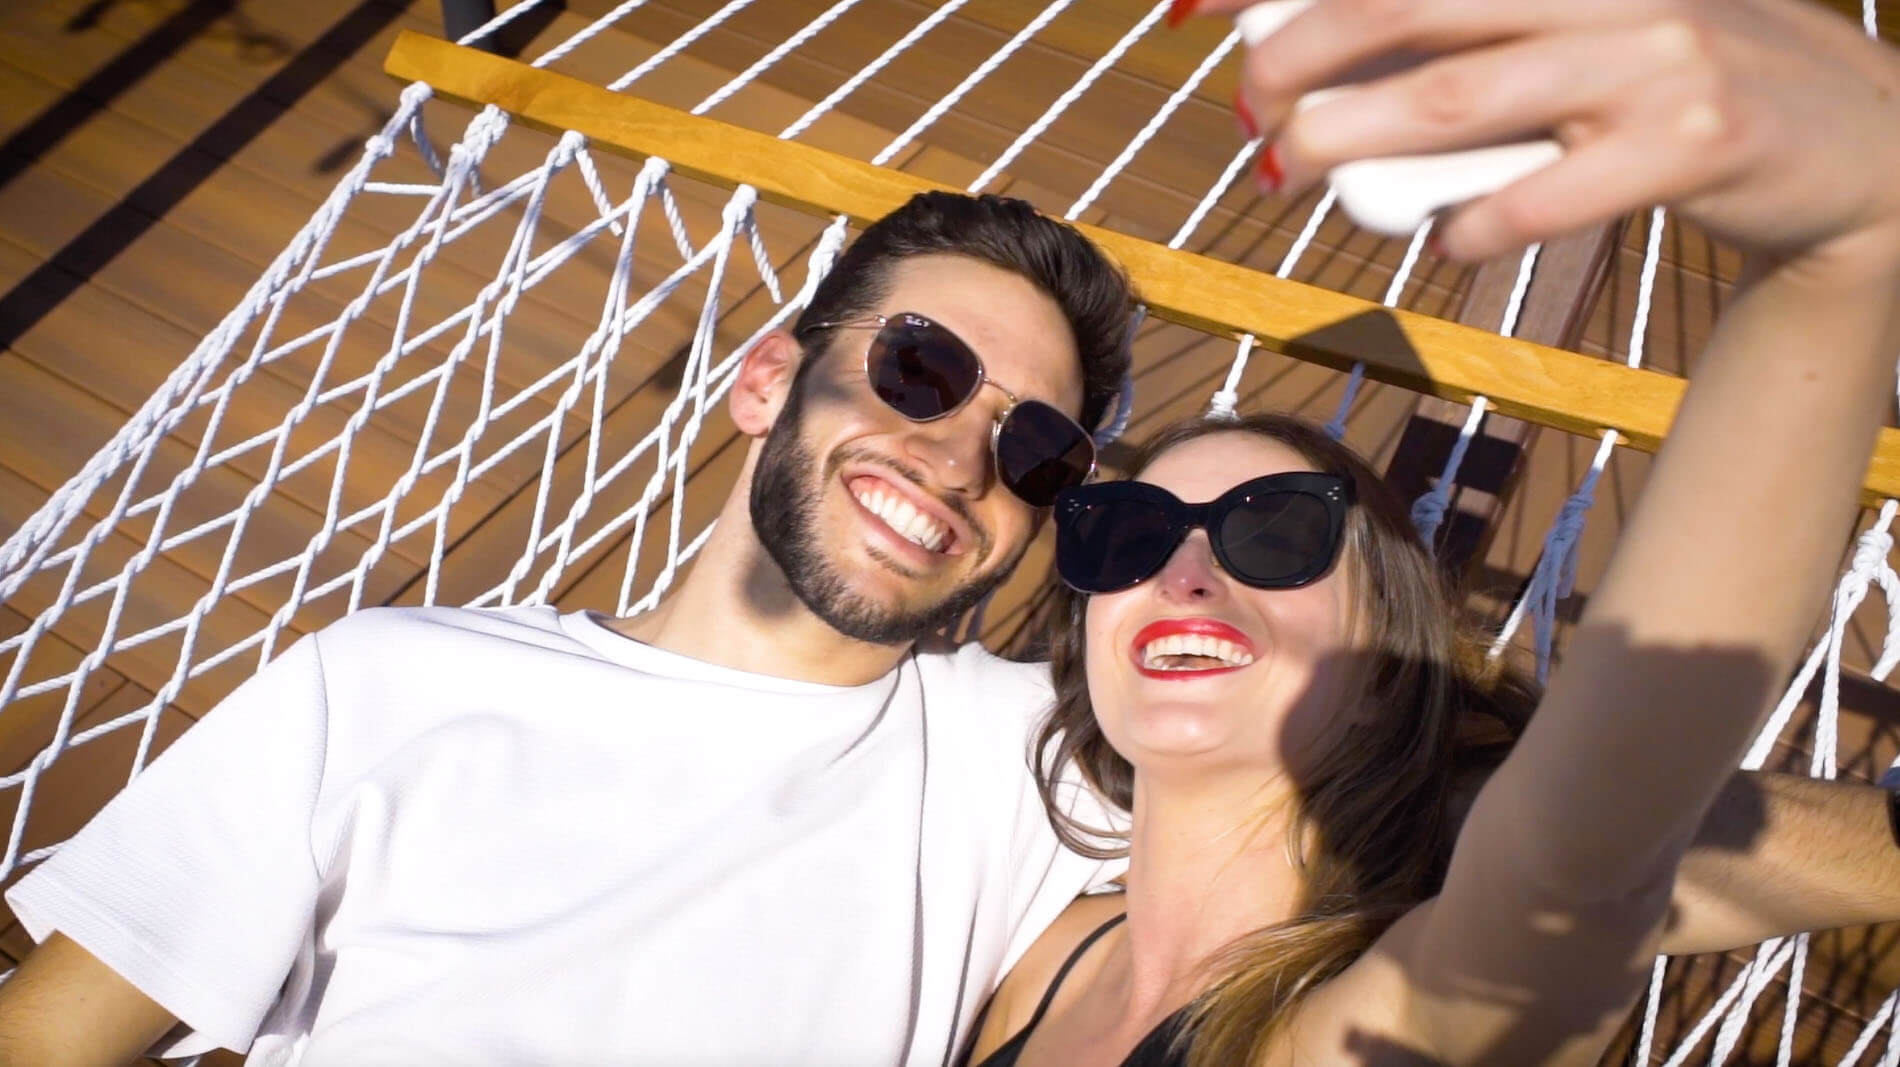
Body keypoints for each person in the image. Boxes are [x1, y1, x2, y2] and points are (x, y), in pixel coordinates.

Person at [0, 21, 1897, 1065]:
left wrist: (1846, 248)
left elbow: (1591, 847)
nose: (955, 449)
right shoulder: (387, 684)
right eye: (915, 362)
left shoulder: (1027, 759)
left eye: (1048, 445)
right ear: (768, 378)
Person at [963, 2, 1900, 1064]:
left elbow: (1578, 863)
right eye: (1128, 531)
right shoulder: (1042, 956)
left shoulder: (1384, 1016)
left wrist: (1848, 255)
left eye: (1273, 533)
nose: (1184, 569)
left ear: (1384, 669)